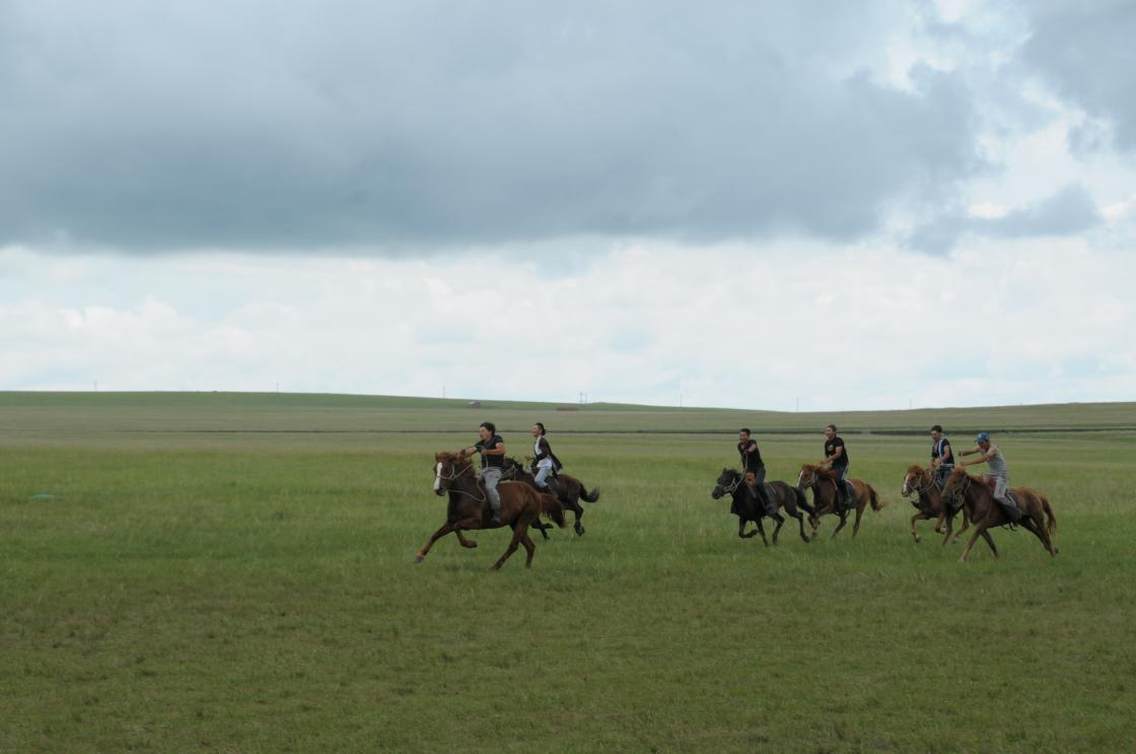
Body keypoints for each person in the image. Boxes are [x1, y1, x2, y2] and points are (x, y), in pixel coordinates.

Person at [958, 431, 1020, 522]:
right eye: (978, 442)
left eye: (981, 442)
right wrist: (962, 452)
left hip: (1001, 475)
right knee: (978, 484)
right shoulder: (981, 447)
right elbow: (971, 451)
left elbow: (984, 459)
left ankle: (1015, 511)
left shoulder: (993, 449)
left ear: (987, 441)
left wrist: (966, 463)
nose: (980, 445)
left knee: (998, 496)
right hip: (992, 473)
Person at [462, 421, 507, 524]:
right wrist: (457, 455)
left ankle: (497, 513)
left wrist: (488, 452)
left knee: (490, 488)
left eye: (483, 431)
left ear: (490, 431)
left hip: (495, 470)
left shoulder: (497, 439)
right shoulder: (480, 444)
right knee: (471, 485)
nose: (480, 433)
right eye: (479, 431)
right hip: (483, 471)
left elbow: (502, 450)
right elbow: (470, 451)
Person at [738, 428, 775, 516]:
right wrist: (744, 471)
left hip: (759, 469)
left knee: (758, 484)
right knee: (739, 484)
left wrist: (748, 451)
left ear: (748, 436)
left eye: (744, 435)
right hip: (748, 470)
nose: (741, 437)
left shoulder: (752, 442)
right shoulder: (739, 445)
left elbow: (753, 448)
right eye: (740, 435)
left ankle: (769, 504)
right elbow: (744, 458)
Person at [820, 424, 851, 512]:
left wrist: (826, 461)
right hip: (833, 465)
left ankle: (847, 498)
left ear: (834, 432)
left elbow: (838, 454)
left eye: (829, 430)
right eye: (826, 430)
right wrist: (826, 465)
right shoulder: (827, 443)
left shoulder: (838, 441)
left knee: (839, 480)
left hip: (843, 464)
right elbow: (827, 455)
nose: (827, 432)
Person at [530, 422, 563, 496]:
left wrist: (535, 458)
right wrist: (533, 460)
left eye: (535, 429)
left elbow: (545, 454)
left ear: (540, 431)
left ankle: (551, 493)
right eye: (532, 429)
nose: (532, 430)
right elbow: (540, 455)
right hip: (540, 464)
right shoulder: (537, 441)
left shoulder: (542, 440)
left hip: (546, 465)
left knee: (538, 480)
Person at [929, 424, 954, 489]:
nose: (933, 436)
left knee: (943, 486)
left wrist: (939, 460)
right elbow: (933, 458)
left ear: (940, 434)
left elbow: (947, 454)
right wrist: (930, 467)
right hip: (939, 469)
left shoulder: (944, 441)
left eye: (935, 434)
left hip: (948, 468)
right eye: (932, 434)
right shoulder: (934, 445)